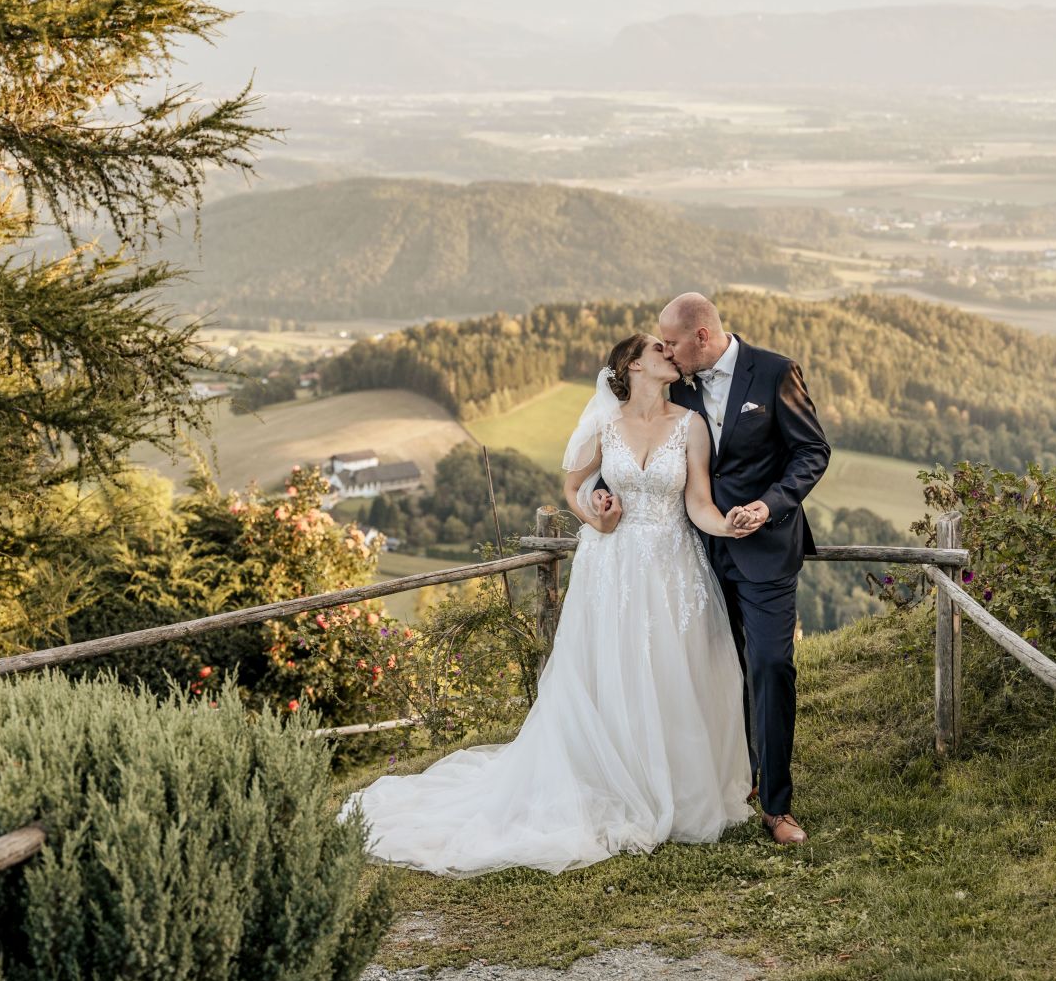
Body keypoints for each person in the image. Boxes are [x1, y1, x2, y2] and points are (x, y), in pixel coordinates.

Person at [339, 333, 752, 877]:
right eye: (658, 348)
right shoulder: (605, 425)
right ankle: (609, 778)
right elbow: (573, 488)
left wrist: (728, 524)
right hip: (610, 566)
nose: (670, 352)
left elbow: (698, 502)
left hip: (672, 568)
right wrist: (595, 512)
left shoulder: (691, 425)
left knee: (671, 672)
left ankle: (672, 785)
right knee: (610, 670)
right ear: (632, 365)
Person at [642, 292, 830, 846]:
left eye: (672, 342)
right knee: (715, 667)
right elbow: (643, 434)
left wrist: (769, 506)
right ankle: (731, 775)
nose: (666, 352)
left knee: (769, 664)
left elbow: (812, 452)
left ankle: (777, 805)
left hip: (765, 548)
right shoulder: (676, 384)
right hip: (696, 553)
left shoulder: (774, 372)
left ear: (702, 336)